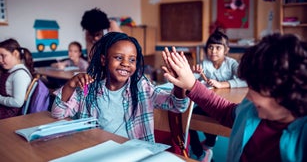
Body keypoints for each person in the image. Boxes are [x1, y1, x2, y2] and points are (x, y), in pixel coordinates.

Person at [162, 33, 307, 162]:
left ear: (286, 91)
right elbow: (226, 110)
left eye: (256, 89)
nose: (248, 96)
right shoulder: (250, 109)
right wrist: (192, 84)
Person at [51, 32, 190, 143]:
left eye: (132, 60)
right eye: (118, 57)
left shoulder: (141, 87)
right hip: (96, 151)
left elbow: (177, 105)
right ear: (104, 60)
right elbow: (58, 114)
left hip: (135, 153)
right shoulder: (88, 88)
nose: (126, 64)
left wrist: (178, 85)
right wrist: (70, 85)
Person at [189, 28, 247, 161]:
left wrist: (222, 84)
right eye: (210, 47)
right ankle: (200, 152)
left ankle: (209, 142)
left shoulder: (232, 64)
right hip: (210, 103)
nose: (213, 51)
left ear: (226, 50)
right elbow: (192, 78)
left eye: (218, 47)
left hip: (227, 105)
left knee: (213, 123)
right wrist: (191, 72)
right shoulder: (205, 64)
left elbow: (244, 80)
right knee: (188, 118)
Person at [0, 38, 35, 119]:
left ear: (15, 53)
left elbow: (17, 102)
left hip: (9, 113)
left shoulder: (20, 74)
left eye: (3, 55)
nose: (0, 60)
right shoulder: (11, 71)